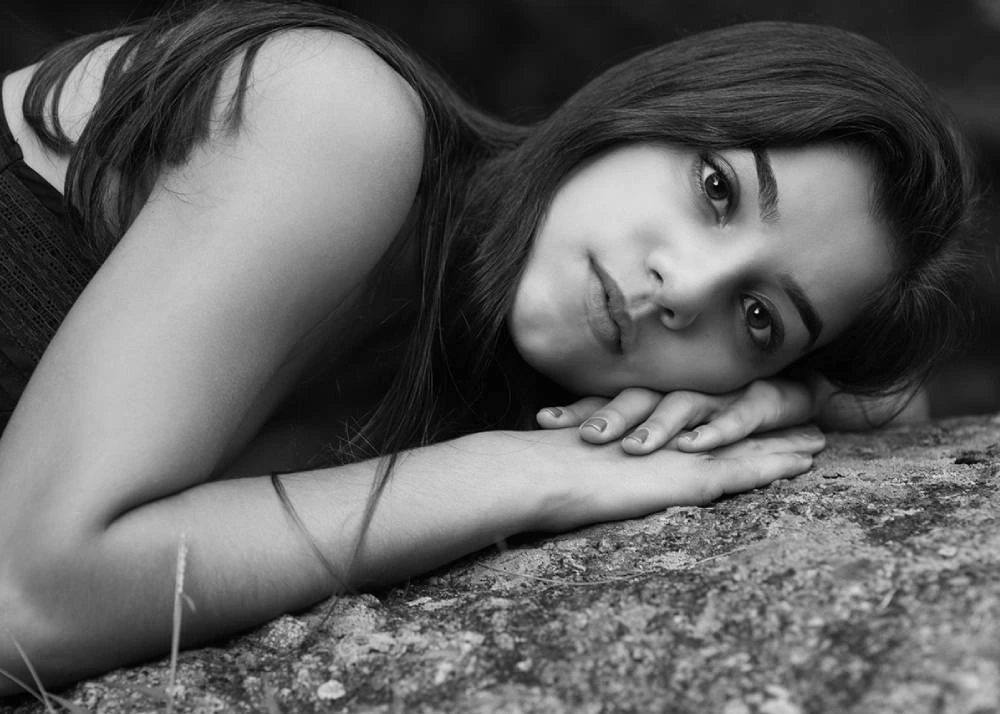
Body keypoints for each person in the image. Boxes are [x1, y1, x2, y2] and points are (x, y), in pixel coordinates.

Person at [0, 0, 975, 695]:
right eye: (717, 191)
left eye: (757, 317)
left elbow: (889, 407)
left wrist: (782, 400)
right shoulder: (336, 115)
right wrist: (515, 472)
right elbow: (26, 598)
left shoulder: (498, 364)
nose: (682, 286)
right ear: (650, 108)